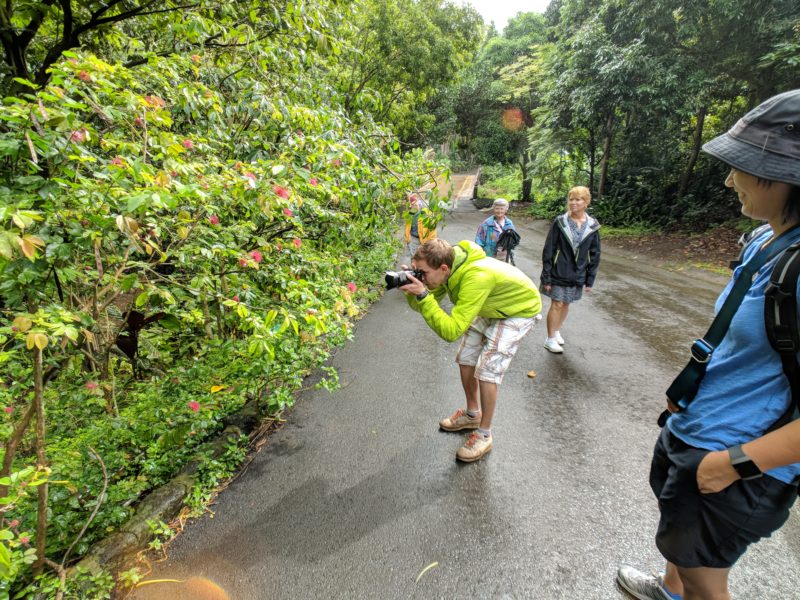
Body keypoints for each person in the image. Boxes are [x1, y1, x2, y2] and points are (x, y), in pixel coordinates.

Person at [617, 89, 800, 600]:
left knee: (706, 580)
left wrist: (732, 464)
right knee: (683, 550)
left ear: (787, 176)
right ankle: (668, 590)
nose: (728, 179)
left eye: (741, 166)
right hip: (701, 430)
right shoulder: (769, 238)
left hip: (735, 458)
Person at [400, 238, 541, 462]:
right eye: (418, 272)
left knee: (487, 370)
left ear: (443, 268)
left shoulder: (475, 277)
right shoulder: (447, 268)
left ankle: (484, 434)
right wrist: (414, 292)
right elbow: (424, 305)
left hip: (519, 310)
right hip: (491, 306)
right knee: (466, 357)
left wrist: (424, 295)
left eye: (423, 273)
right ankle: (472, 414)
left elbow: (450, 331)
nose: (421, 277)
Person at [539, 186, 600, 353]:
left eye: (578, 199)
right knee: (557, 303)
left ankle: (556, 330)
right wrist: (546, 276)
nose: (573, 203)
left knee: (566, 303)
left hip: (578, 272)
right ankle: (549, 338)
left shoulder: (592, 225)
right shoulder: (560, 222)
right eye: (571, 199)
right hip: (558, 271)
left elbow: (595, 253)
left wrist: (590, 278)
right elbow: (549, 249)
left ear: (586, 202)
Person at [403, 192, 437, 258]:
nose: (413, 206)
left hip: (425, 241)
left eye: (415, 204)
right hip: (413, 239)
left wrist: (431, 243)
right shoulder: (410, 213)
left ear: (419, 203)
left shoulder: (427, 213)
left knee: (424, 259)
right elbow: (407, 227)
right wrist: (408, 239)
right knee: (414, 258)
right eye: (411, 205)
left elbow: (432, 230)